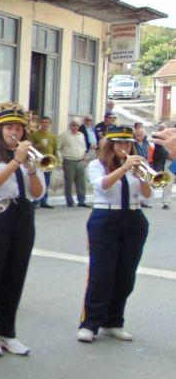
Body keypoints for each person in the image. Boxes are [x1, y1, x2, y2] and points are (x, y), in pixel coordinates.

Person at [0, 110, 44, 358]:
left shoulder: (29, 158)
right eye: (9, 127)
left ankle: (7, 332)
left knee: (16, 274)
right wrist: (15, 162)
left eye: (19, 128)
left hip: (23, 213)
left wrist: (32, 169)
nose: (15, 132)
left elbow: (38, 193)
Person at [77, 125, 150, 343]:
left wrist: (144, 176)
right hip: (105, 218)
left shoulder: (137, 165)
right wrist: (124, 168)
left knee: (126, 275)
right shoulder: (96, 165)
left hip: (134, 218)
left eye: (128, 143)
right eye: (119, 143)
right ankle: (90, 323)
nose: (124, 147)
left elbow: (147, 195)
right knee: (101, 274)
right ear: (110, 144)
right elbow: (103, 186)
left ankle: (114, 321)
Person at [58, 119, 89, 207]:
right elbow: (58, 147)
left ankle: (81, 200)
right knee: (69, 182)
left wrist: (83, 156)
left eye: (77, 125)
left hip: (80, 161)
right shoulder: (64, 135)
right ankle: (69, 200)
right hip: (69, 161)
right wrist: (61, 159)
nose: (75, 127)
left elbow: (84, 147)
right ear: (70, 126)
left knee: (81, 182)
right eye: (74, 125)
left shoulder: (81, 135)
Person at [29, 116, 58, 209]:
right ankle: (36, 200)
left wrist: (56, 160)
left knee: (46, 182)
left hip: (48, 161)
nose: (45, 124)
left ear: (50, 124)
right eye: (43, 122)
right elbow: (30, 147)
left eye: (47, 122)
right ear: (40, 123)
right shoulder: (35, 134)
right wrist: (38, 146)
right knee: (38, 180)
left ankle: (44, 201)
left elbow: (55, 149)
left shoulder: (52, 135)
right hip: (37, 161)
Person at [150, 124, 170, 210]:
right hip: (166, 160)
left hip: (169, 160)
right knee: (169, 181)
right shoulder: (160, 136)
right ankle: (166, 201)